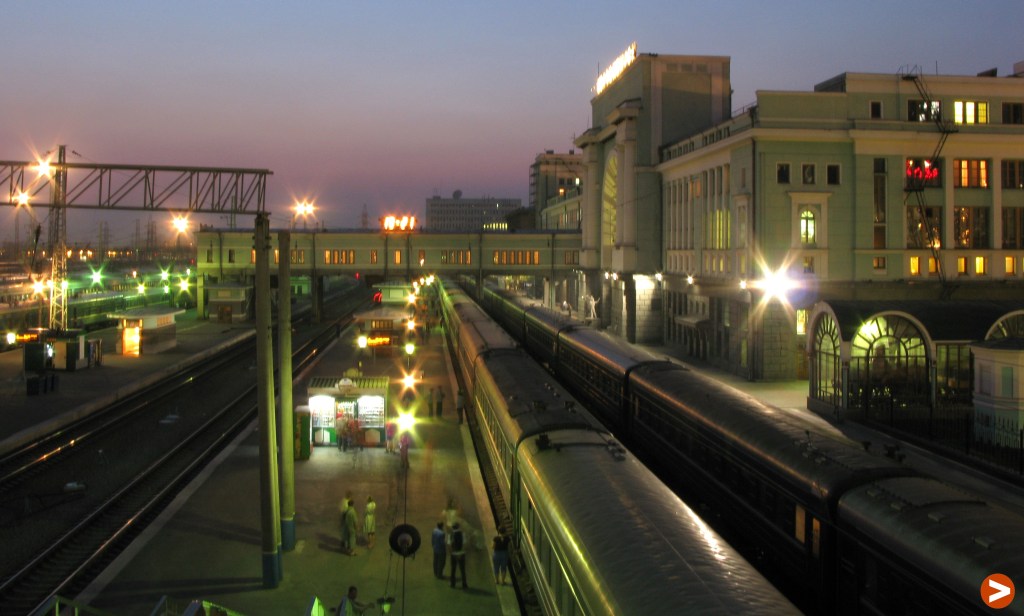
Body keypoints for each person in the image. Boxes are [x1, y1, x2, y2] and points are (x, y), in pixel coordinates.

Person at [448, 522, 467, 589]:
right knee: (463, 570)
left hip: (454, 554)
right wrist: (461, 552)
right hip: (461, 554)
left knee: (453, 569)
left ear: (452, 528)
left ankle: (452, 584)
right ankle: (464, 584)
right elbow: (464, 544)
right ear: (459, 527)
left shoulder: (450, 535)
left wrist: (452, 553)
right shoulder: (463, 534)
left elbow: (449, 545)